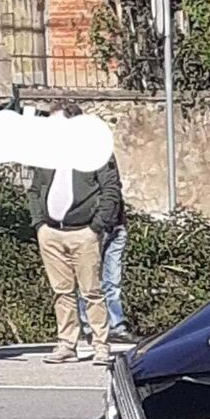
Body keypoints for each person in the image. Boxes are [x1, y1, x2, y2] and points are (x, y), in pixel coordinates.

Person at [28, 101, 120, 365]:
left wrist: (97, 226)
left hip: (84, 232)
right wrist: (39, 224)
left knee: (92, 291)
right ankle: (67, 343)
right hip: (51, 232)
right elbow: (34, 189)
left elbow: (111, 190)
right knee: (62, 291)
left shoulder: (95, 151)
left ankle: (101, 345)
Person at [78, 161, 139, 345]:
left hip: (116, 225)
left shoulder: (106, 157)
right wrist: (97, 224)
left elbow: (113, 188)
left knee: (113, 280)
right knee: (89, 279)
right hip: (96, 226)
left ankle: (117, 325)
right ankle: (89, 326)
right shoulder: (84, 158)